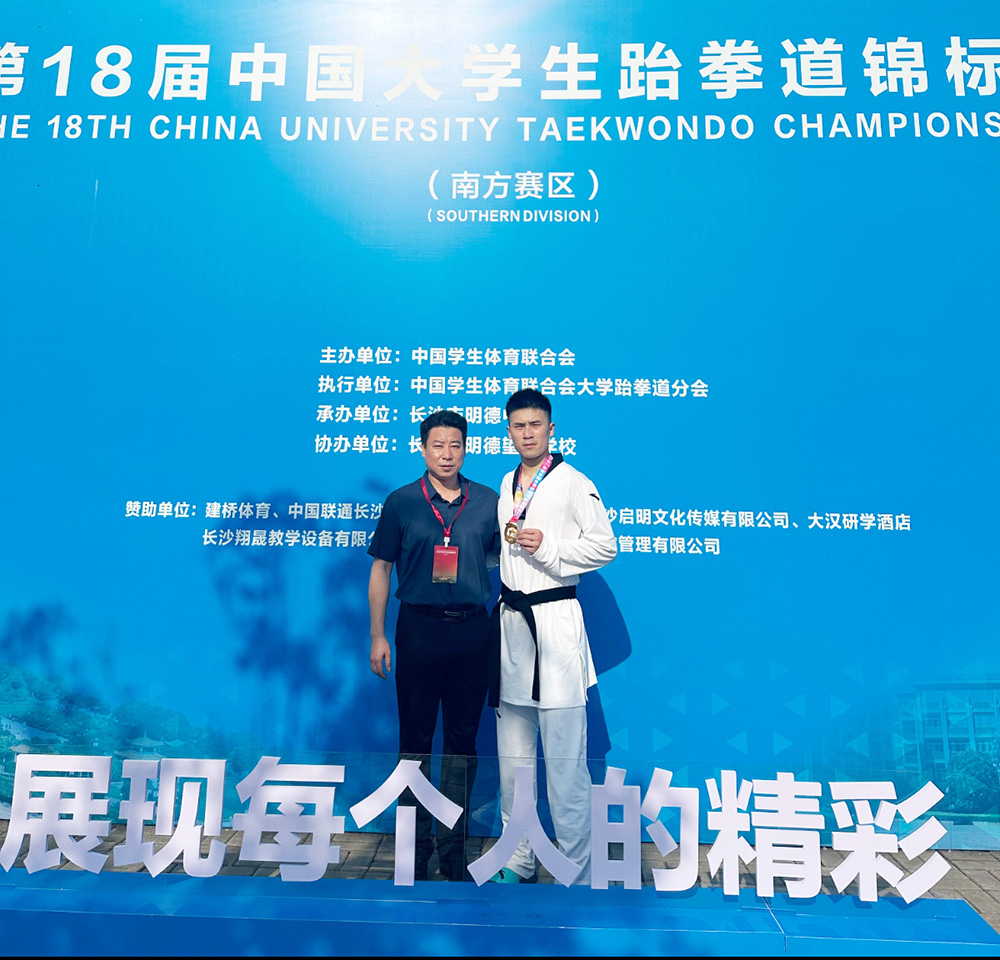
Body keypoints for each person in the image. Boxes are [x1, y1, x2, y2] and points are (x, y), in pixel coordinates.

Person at [490, 389, 617, 884]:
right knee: (513, 761)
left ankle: (576, 871)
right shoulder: (506, 483)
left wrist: (551, 548)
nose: (527, 433)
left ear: (551, 428)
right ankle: (517, 857)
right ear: (508, 432)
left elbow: (605, 546)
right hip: (512, 627)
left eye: (535, 425)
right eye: (518, 426)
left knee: (565, 763)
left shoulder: (573, 482)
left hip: (556, 626)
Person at [367, 410, 500, 881]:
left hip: (471, 633)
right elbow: (381, 568)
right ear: (422, 448)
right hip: (419, 631)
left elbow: (502, 557)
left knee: (462, 745)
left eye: (455, 445)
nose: (447, 454)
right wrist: (378, 634)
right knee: (415, 743)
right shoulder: (402, 502)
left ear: (466, 449)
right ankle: (414, 848)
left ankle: (453, 850)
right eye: (437, 445)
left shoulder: (488, 501)